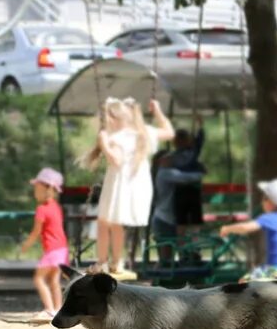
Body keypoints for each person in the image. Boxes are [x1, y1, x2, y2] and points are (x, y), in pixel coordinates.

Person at [84, 97, 174, 279]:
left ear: (114, 118)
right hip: (135, 188)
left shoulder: (116, 138)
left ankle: (103, 261)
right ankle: (116, 263)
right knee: (116, 225)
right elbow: (169, 132)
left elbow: (115, 160)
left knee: (104, 222)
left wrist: (104, 144)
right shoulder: (144, 133)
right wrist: (157, 112)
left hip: (119, 185)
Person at [219, 178, 277, 281]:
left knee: (243, 281)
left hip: (275, 270)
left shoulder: (268, 218)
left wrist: (227, 228)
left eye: (264, 198)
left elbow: (245, 228)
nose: (262, 201)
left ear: (271, 202)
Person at [20, 167, 69, 320]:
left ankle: (49, 310)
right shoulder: (56, 207)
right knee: (54, 281)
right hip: (62, 249)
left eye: (37, 189)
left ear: (47, 189)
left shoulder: (41, 209)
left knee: (39, 279)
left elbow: (36, 231)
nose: (35, 192)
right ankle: (58, 309)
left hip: (52, 251)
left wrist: (26, 245)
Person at [151, 129, 205, 264]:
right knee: (166, 257)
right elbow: (186, 177)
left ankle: (186, 262)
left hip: (171, 218)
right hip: (164, 219)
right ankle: (164, 276)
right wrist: (200, 172)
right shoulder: (165, 173)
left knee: (179, 250)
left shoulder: (170, 170)